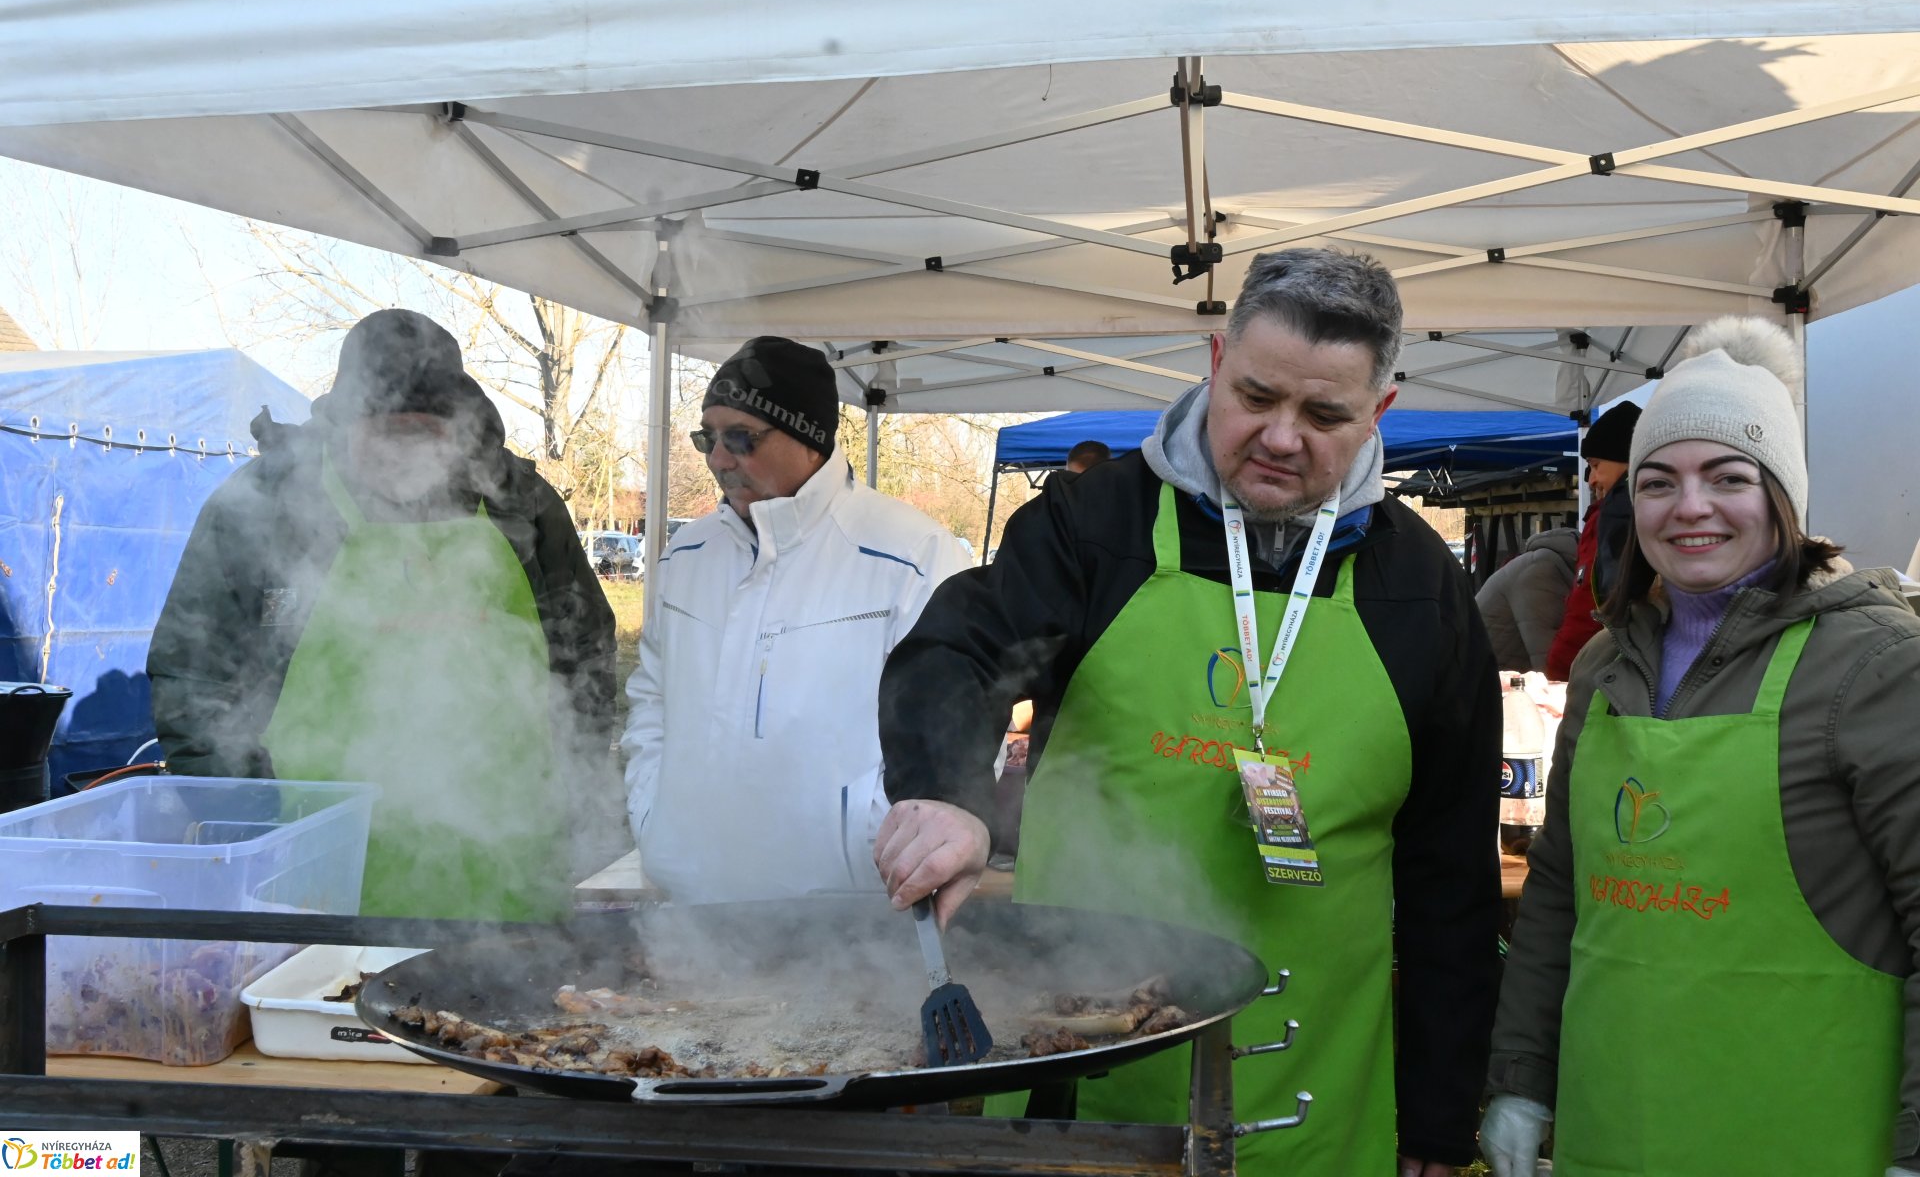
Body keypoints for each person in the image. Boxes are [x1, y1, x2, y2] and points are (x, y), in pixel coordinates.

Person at [873, 248, 1503, 1177]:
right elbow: (959, 647)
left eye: (1325, 415)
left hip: (1317, 1085)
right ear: (1214, 361)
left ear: (1381, 411)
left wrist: (1441, 1123)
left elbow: (1451, 876)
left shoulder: (1424, 593)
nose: (1282, 437)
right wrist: (945, 793)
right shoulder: (1098, 525)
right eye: (1255, 397)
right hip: (1081, 1068)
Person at [1482, 316, 1920, 1177]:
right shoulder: (1609, 662)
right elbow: (1561, 891)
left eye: (1728, 477)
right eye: (1658, 481)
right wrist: (1522, 1081)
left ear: (1782, 498)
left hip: (1812, 1140)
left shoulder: (1876, 664)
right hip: (1615, 1132)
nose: (1691, 508)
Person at [151, 309, 618, 922]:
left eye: (429, 432)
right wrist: (246, 817)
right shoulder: (267, 504)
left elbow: (584, 653)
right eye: (388, 432)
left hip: (505, 849)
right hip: (315, 857)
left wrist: (572, 792)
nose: (409, 453)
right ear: (345, 420)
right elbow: (193, 674)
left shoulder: (521, 504)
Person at [622, 336, 968, 903]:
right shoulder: (687, 553)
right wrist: (653, 814)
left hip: (841, 913)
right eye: (708, 436)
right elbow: (652, 697)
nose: (717, 458)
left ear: (809, 440)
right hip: (691, 900)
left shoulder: (911, 557)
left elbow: (952, 737)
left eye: (741, 438)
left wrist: (864, 841)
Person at [1543, 400, 1640, 680]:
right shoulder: (1647, 505)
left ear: (1628, 459)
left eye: (1596, 466)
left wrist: (1560, 672)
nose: (1591, 479)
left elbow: (1592, 607)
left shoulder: (1618, 511)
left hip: (1600, 670)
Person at [1476, 527, 1578, 671]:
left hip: (1490, 676)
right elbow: (1549, 663)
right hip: (1486, 683)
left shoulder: (1544, 563)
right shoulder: (1541, 570)